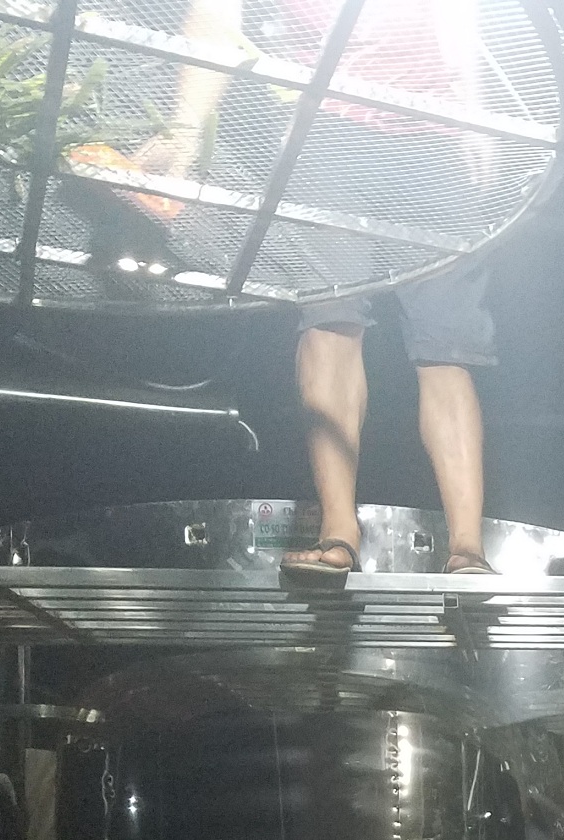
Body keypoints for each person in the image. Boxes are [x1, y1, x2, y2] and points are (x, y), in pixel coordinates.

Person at [132, 0, 494, 576]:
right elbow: (216, 21)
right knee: (329, 323)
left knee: (445, 346)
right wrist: (184, 129)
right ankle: (338, 532)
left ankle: (467, 549)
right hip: (326, 131)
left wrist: (475, 110)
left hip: (436, 136)